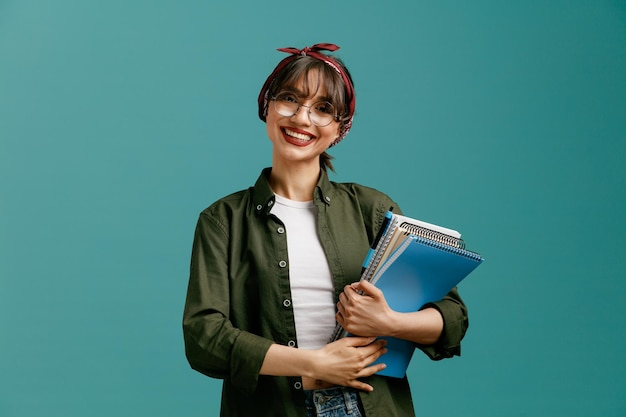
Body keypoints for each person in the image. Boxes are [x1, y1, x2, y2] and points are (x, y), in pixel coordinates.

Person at [183, 43, 468, 417]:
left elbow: (452, 315)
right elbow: (205, 338)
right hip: (276, 408)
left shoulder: (372, 209)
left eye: (323, 109)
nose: (302, 118)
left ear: (339, 128)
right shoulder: (223, 221)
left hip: (371, 406)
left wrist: (390, 322)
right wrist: (312, 364)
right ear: (266, 106)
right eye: (289, 98)